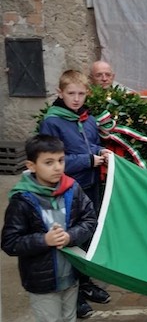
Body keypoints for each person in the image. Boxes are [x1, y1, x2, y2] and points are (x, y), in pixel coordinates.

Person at [38, 70, 112, 318]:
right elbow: (50, 161)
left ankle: (86, 282)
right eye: (71, 93)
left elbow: (89, 145)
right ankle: (75, 294)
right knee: (71, 239)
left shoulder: (86, 119)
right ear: (60, 93)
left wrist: (102, 150)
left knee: (88, 234)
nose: (77, 98)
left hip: (90, 186)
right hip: (67, 190)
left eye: (81, 93)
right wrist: (88, 160)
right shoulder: (52, 121)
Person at [1, 135, 97, 322]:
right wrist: (44, 240)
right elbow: (10, 242)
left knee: (69, 317)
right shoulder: (22, 200)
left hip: (71, 275)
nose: (57, 167)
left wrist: (70, 236)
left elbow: (90, 220)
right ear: (31, 166)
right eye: (49, 162)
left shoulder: (73, 188)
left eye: (61, 160)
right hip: (42, 283)